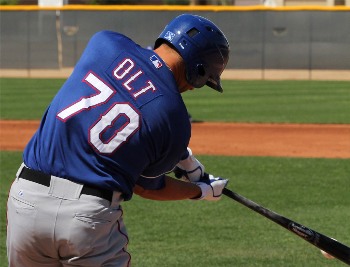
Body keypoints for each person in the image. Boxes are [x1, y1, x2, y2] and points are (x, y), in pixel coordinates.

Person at [7, 14, 230, 267]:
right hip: (85, 218)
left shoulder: (105, 42)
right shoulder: (175, 120)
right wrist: (200, 191)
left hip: (26, 200)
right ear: (199, 71)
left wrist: (186, 159)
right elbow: (147, 186)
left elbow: (128, 97)